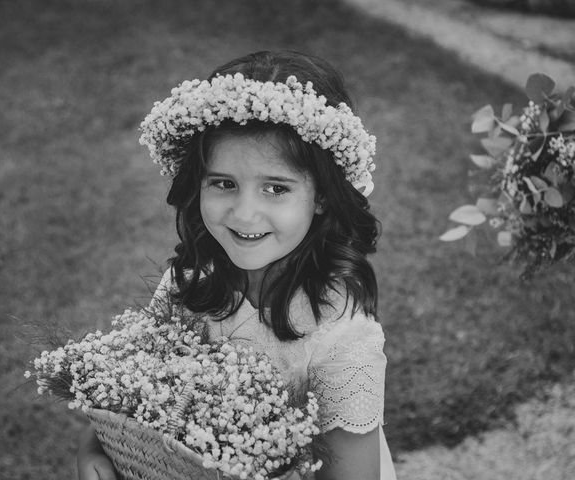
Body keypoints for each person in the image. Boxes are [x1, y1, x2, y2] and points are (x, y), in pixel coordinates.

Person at [77, 50, 396, 480]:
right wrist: (95, 451)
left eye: (276, 188)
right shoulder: (186, 286)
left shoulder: (343, 340)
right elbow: (129, 401)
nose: (245, 215)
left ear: (322, 196)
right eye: (224, 184)